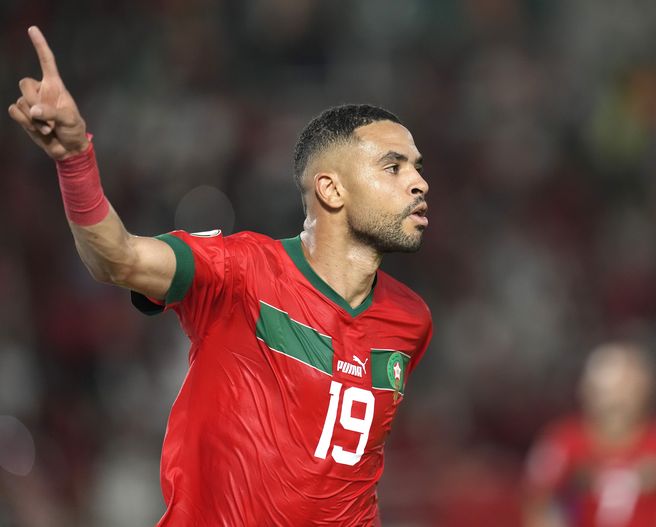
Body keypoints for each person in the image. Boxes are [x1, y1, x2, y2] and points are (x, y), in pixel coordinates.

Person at [8, 26, 433, 526]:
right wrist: (74, 160)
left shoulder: (411, 321)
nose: (419, 182)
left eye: (416, 167)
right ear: (331, 191)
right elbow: (116, 259)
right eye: (393, 166)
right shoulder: (239, 272)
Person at [523, 342, 656, 527]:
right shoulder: (562, 442)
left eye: (626, 390)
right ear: (587, 390)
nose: (616, 401)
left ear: (645, 390)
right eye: (607, 391)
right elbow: (536, 497)